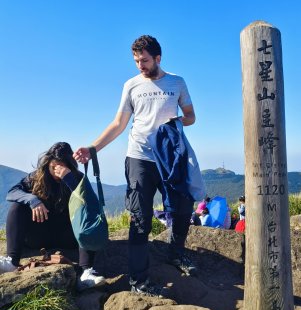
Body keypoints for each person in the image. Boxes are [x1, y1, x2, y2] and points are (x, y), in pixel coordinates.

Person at [74, 35, 198, 296]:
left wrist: (175, 122)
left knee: (183, 207)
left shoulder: (177, 82)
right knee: (140, 218)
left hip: (169, 157)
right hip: (139, 157)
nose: (140, 65)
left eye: (144, 60)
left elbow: (191, 117)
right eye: (136, 61)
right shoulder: (131, 85)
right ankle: (139, 280)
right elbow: (118, 123)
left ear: (158, 58)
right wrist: (93, 148)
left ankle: (176, 254)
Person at [0, 142, 105, 289]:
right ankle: (11, 261)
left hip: (68, 236)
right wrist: (33, 200)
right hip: (40, 235)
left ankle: (85, 272)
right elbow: (12, 193)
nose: (57, 171)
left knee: (86, 217)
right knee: (17, 207)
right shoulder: (38, 177)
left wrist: (68, 178)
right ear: (48, 163)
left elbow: (90, 205)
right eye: (53, 167)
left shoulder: (77, 178)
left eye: (61, 167)